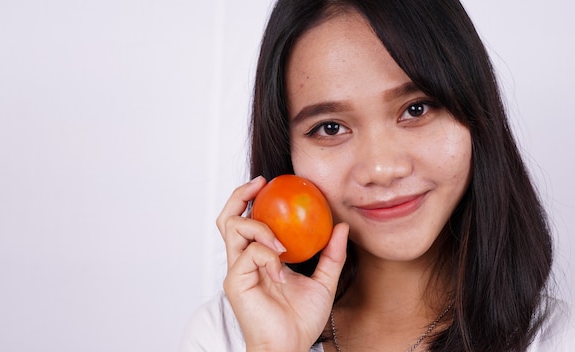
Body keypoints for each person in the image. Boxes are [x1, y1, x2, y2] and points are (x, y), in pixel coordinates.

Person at [181, 0, 574, 351]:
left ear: (475, 112)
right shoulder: (227, 337)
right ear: (288, 153)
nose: (382, 170)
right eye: (331, 128)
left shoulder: (557, 339)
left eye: (417, 109)